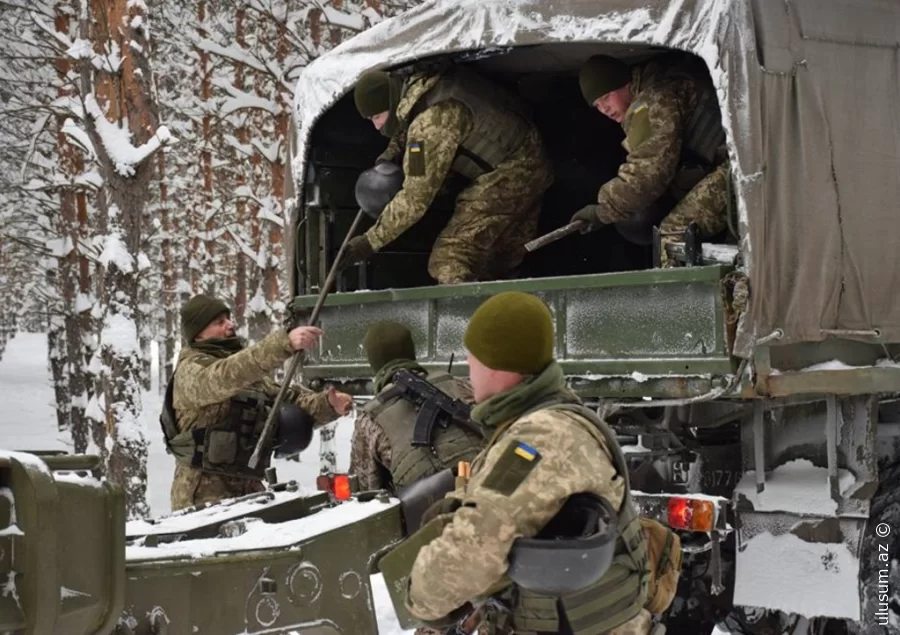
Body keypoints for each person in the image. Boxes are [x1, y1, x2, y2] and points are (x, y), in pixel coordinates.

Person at [404, 291, 651, 635]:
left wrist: (418, 597)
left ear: (495, 365)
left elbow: (473, 548)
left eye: (472, 357)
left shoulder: (537, 440)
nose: (468, 368)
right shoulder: (556, 418)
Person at [338, 64, 554, 284]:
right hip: (530, 154)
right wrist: (390, 155)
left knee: (449, 258)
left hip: (515, 171)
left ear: (392, 102)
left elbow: (415, 199)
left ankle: (463, 316)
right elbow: (408, 121)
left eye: (377, 117)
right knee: (496, 260)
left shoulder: (431, 124)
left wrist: (369, 242)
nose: (377, 127)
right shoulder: (422, 85)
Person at [164, 294, 354, 511]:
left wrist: (329, 405)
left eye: (228, 319)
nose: (230, 325)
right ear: (198, 335)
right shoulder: (191, 371)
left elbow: (288, 401)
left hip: (249, 489)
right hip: (203, 495)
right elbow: (224, 377)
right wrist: (283, 344)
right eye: (219, 322)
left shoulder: (247, 375)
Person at [571, 53, 730, 266]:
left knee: (673, 237)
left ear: (624, 84)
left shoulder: (653, 101)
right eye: (598, 106)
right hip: (735, 164)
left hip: (739, 167)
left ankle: (682, 299)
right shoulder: (654, 93)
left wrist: (602, 211)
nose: (604, 109)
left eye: (606, 97)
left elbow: (647, 173)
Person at [348, 320, 483, 493]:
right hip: (487, 484)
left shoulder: (369, 419)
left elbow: (366, 491)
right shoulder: (457, 385)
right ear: (411, 351)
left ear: (373, 361)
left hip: (428, 508)